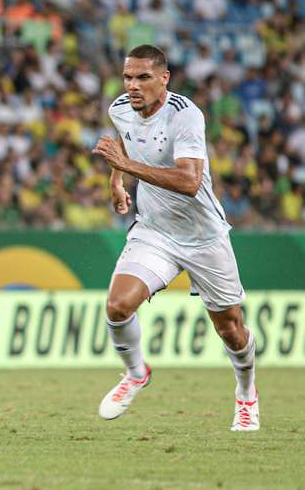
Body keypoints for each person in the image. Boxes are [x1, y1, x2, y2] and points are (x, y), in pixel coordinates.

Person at [92, 45, 258, 431]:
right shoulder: (120, 108)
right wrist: (117, 182)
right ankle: (136, 374)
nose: (132, 86)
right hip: (155, 231)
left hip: (203, 236)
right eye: (128, 77)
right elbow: (124, 143)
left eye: (143, 77)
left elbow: (189, 181)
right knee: (117, 306)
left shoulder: (185, 116)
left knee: (230, 329)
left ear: (163, 78)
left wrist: (124, 166)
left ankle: (246, 394)